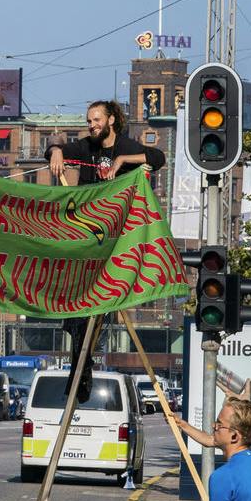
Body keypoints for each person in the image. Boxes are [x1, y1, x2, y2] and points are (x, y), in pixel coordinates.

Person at [47, 101, 165, 385]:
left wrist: (123, 162)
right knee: (76, 301)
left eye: (96, 120)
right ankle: (80, 363)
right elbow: (53, 148)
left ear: (111, 120)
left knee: (98, 303)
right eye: (88, 121)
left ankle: (84, 363)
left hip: (116, 237)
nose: (91, 125)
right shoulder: (87, 146)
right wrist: (57, 151)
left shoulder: (125, 146)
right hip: (87, 234)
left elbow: (158, 157)